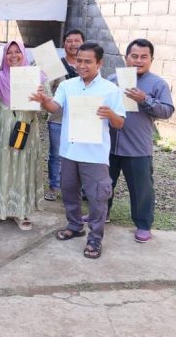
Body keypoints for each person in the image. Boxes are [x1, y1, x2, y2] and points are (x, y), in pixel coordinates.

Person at [31, 42, 125, 259]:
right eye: (79, 61)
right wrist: (45, 101)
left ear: (99, 63)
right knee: (69, 192)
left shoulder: (110, 90)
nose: (82, 65)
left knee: (97, 197)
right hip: (70, 152)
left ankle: (95, 238)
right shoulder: (68, 86)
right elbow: (55, 107)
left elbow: (120, 123)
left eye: (88, 62)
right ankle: (74, 225)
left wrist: (110, 115)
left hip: (95, 155)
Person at [108, 39, 174, 243]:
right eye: (134, 56)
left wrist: (145, 99)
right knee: (103, 184)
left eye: (144, 57)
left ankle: (143, 225)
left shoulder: (157, 84)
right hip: (109, 145)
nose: (138, 60)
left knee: (141, 189)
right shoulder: (113, 79)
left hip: (137, 147)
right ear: (126, 58)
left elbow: (167, 111)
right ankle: (101, 214)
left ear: (151, 59)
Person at [0, 41, 45, 231]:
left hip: (26, 124)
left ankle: (20, 210)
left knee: (22, 164)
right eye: (9, 52)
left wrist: (41, 96)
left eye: (18, 51)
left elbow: (46, 104)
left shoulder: (36, 75)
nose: (14, 55)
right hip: (2, 127)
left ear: (24, 54)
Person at [45, 29, 84, 202]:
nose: (73, 44)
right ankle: (54, 186)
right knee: (56, 155)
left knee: (80, 154)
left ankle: (78, 188)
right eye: (69, 41)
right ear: (64, 44)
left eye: (77, 40)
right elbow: (47, 88)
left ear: (83, 43)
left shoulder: (88, 65)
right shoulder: (56, 66)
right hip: (58, 118)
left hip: (82, 120)